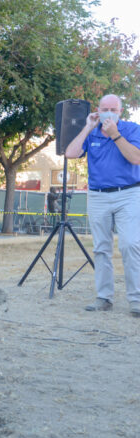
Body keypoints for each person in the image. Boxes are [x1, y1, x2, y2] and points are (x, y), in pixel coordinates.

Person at [64, 94, 140, 317]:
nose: (108, 112)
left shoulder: (132, 129)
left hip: (129, 193)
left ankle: (136, 299)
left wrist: (115, 135)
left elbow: (135, 158)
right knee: (101, 248)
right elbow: (70, 153)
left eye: (113, 109)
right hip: (97, 195)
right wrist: (87, 128)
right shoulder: (92, 131)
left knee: (130, 244)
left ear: (120, 112)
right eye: (104, 108)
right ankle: (104, 297)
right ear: (97, 110)